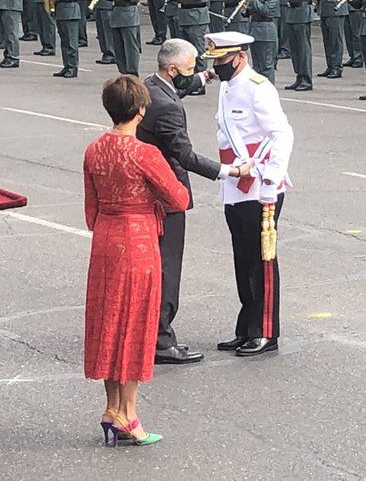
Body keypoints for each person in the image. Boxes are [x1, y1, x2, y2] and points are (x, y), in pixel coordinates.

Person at [83, 74, 190, 446]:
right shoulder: (144, 153)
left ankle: (111, 407)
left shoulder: (94, 149)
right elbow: (179, 199)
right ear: (141, 110)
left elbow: (90, 211)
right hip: (139, 240)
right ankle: (128, 414)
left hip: (105, 241)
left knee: (109, 321)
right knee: (134, 325)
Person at [139, 39, 233, 364]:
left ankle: (149, 334)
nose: (191, 76)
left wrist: (204, 77)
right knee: (167, 270)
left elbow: (181, 88)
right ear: (173, 69)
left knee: (154, 268)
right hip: (167, 196)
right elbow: (185, 155)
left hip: (148, 194)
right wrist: (226, 171)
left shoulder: (151, 86)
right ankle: (162, 341)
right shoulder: (167, 106)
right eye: (189, 70)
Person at [207, 31, 295, 357]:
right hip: (234, 185)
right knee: (242, 260)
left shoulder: (260, 88)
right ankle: (246, 327)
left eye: (222, 61)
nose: (218, 67)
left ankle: (266, 331)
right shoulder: (227, 87)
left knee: (262, 262)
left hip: (259, 186)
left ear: (240, 57)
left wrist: (271, 179)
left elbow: (281, 134)